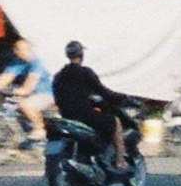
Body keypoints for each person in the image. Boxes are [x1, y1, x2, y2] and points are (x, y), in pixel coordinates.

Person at [50, 39, 133, 173]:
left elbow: (58, 97)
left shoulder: (58, 76)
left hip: (66, 116)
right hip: (84, 115)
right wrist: (123, 98)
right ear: (81, 54)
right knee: (115, 122)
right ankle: (120, 161)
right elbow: (104, 92)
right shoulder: (85, 72)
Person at [0, 37, 51, 144]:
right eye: (18, 49)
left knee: (26, 105)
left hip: (45, 94)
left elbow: (28, 87)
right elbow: (6, 77)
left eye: (24, 49)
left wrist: (15, 91)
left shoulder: (37, 63)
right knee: (9, 107)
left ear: (30, 49)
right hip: (29, 94)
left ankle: (40, 130)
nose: (21, 52)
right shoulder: (17, 63)